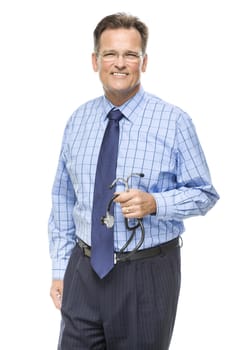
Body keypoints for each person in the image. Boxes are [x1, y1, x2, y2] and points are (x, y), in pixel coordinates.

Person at [48, 12, 219, 350]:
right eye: (110, 54)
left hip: (146, 274)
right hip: (82, 270)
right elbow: (63, 198)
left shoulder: (174, 121)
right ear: (95, 60)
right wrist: (59, 267)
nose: (120, 63)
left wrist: (156, 203)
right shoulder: (78, 120)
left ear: (145, 62)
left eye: (131, 54)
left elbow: (204, 193)